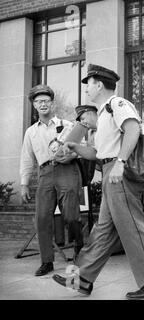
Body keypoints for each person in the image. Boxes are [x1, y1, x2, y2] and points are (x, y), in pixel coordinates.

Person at [52, 64, 144, 299]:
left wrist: (120, 162)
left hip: (119, 174)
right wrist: (76, 147)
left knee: (133, 227)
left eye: (89, 84)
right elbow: (99, 153)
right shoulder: (104, 112)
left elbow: (133, 129)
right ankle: (80, 280)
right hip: (109, 170)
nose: (87, 90)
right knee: (102, 232)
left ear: (99, 84)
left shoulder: (117, 104)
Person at [20, 84, 84, 276]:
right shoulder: (31, 132)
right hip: (45, 173)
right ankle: (47, 261)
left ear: (52, 103)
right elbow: (26, 158)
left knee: (72, 215)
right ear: (34, 106)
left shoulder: (68, 125)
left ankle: (79, 250)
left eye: (46, 100)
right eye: (38, 101)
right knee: (42, 218)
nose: (43, 104)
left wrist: (72, 156)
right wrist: (24, 183)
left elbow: (84, 146)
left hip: (67, 170)